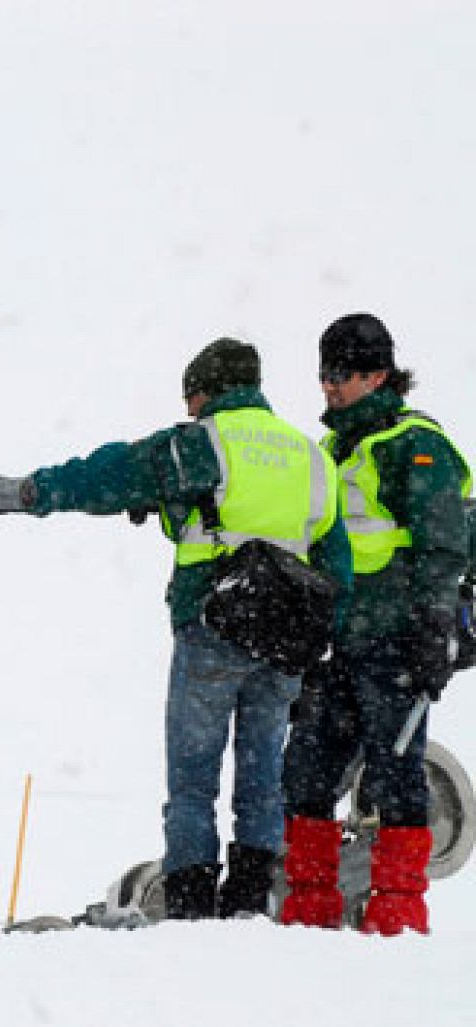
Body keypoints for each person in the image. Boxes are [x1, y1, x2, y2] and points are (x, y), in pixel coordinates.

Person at [0, 338, 350, 921]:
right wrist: (320, 645)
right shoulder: (312, 458)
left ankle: (193, 904)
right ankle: (248, 903)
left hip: (215, 626)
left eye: (190, 400)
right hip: (285, 643)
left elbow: (108, 474)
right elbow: (337, 563)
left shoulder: (205, 443)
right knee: (262, 779)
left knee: (193, 783)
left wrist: (24, 492)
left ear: (205, 391)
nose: (188, 411)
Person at [280, 313, 471, 936]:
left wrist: (435, 628)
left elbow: (445, 545)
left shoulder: (417, 444)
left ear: (378, 374)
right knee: (306, 772)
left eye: (341, 375)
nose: (328, 388)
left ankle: (396, 915)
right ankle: (308, 906)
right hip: (334, 641)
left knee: (395, 779)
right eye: (324, 375)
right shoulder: (334, 451)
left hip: (396, 639)